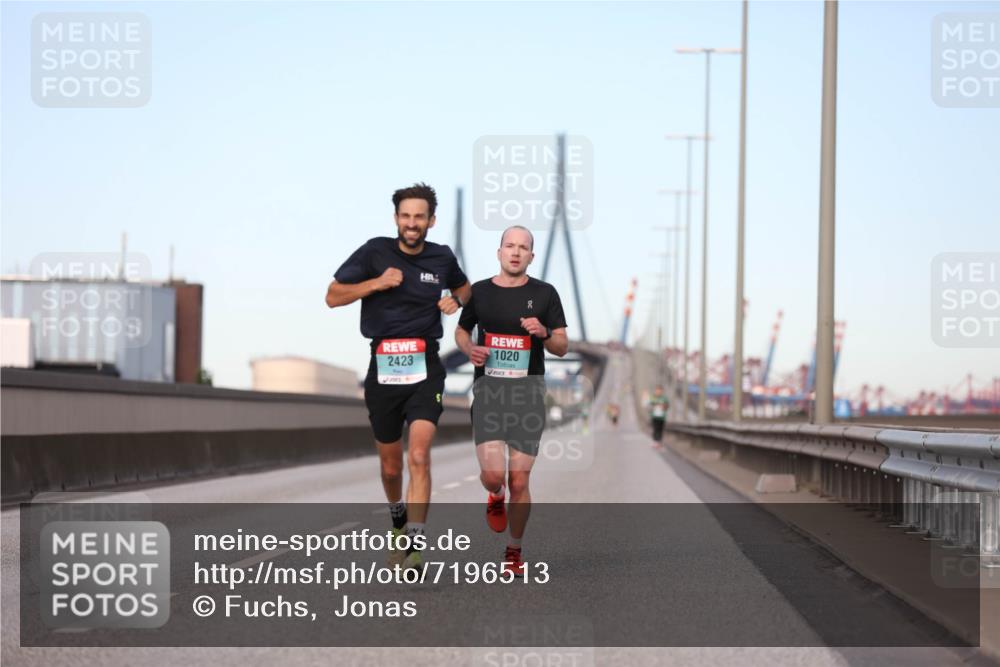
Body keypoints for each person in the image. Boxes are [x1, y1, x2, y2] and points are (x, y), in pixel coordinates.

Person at [325, 182, 470, 571]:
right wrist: (376, 283)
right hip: (383, 368)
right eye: (405, 216)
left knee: (419, 455)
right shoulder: (375, 251)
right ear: (396, 219)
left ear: (431, 221)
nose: (411, 223)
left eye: (419, 216)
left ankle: (415, 547)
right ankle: (397, 523)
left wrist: (456, 300)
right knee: (391, 467)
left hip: (426, 366)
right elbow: (332, 295)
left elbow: (466, 288)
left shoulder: (442, 257)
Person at [455, 225, 568, 575]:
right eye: (510, 246)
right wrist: (468, 348)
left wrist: (544, 333)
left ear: (531, 256)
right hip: (489, 392)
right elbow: (461, 330)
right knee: (493, 475)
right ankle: (493, 495)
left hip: (528, 394)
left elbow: (562, 346)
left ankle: (514, 552)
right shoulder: (479, 292)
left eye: (523, 247)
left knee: (520, 481)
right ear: (499, 252)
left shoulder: (546, 294)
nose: (516, 252)